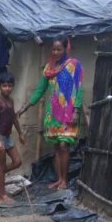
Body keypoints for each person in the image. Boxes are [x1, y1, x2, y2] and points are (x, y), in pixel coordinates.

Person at [19, 38, 84, 190]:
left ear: (66, 49)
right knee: (56, 147)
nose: (55, 52)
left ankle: (65, 181)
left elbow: (78, 89)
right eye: (53, 49)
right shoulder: (49, 68)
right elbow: (40, 90)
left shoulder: (74, 65)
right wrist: (26, 106)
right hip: (53, 113)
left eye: (58, 49)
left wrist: (77, 111)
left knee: (63, 145)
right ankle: (59, 179)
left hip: (68, 113)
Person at [0, 72, 26, 203]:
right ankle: (2, 195)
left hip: (7, 136)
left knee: (17, 161)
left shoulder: (10, 101)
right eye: (4, 86)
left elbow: (14, 118)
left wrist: (20, 133)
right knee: (2, 165)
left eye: (10, 85)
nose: (7, 88)